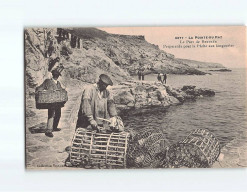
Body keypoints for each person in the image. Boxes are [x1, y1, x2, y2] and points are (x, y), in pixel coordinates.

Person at [36, 69, 65, 137]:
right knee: (51, 115)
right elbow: (41, 87)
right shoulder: (47, 81)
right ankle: (49, 130)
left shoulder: (58, 83)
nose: (56, 76)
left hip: (57, 102)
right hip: (50, 101)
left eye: (57, 75)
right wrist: (37, 90)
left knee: (58, 114)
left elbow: (60, 90)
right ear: (53, 75)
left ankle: (54, 127)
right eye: (56, 75)